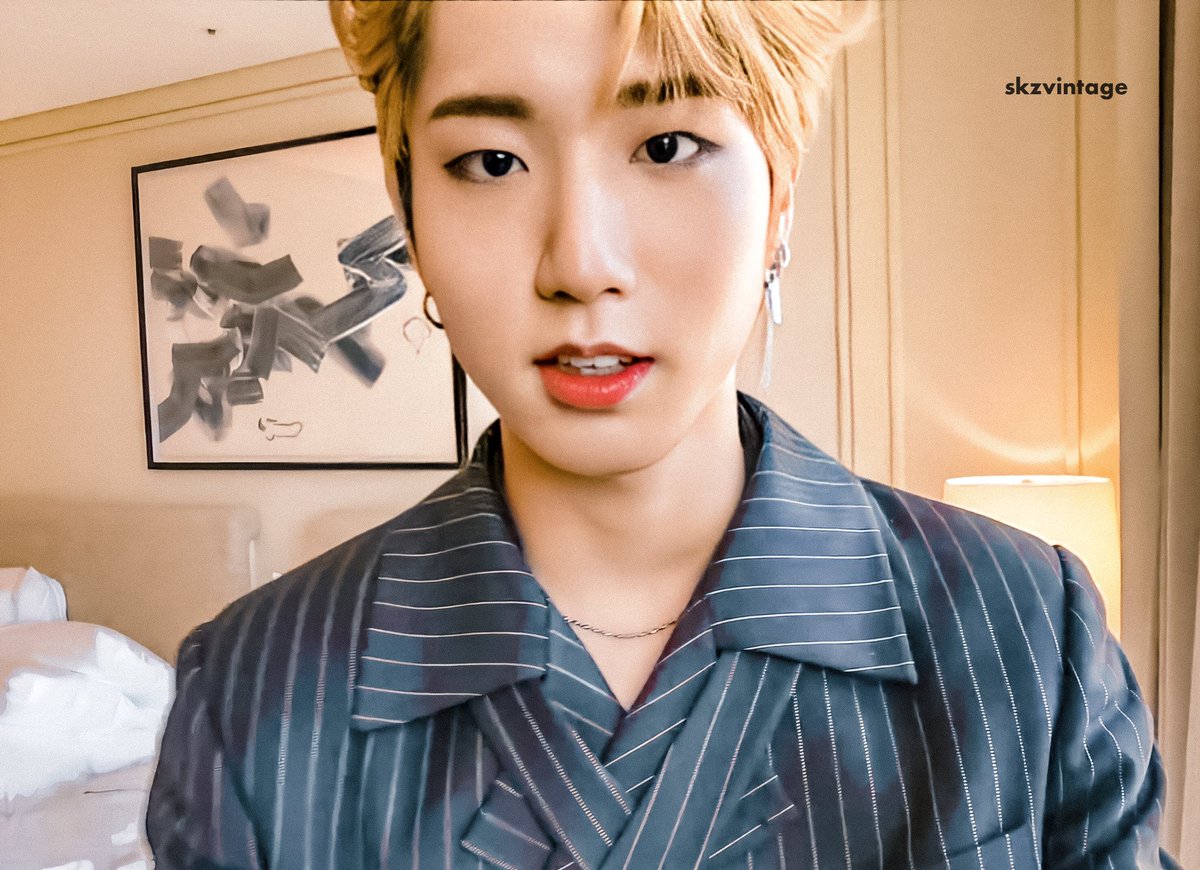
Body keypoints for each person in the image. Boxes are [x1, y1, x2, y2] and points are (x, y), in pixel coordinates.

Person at [146, 2, 1179, 867]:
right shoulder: (254, 691)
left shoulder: (1024, 628)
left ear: (778, 190)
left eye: (667, 146)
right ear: (410, 214)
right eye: (493, 161)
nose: (581, 262)